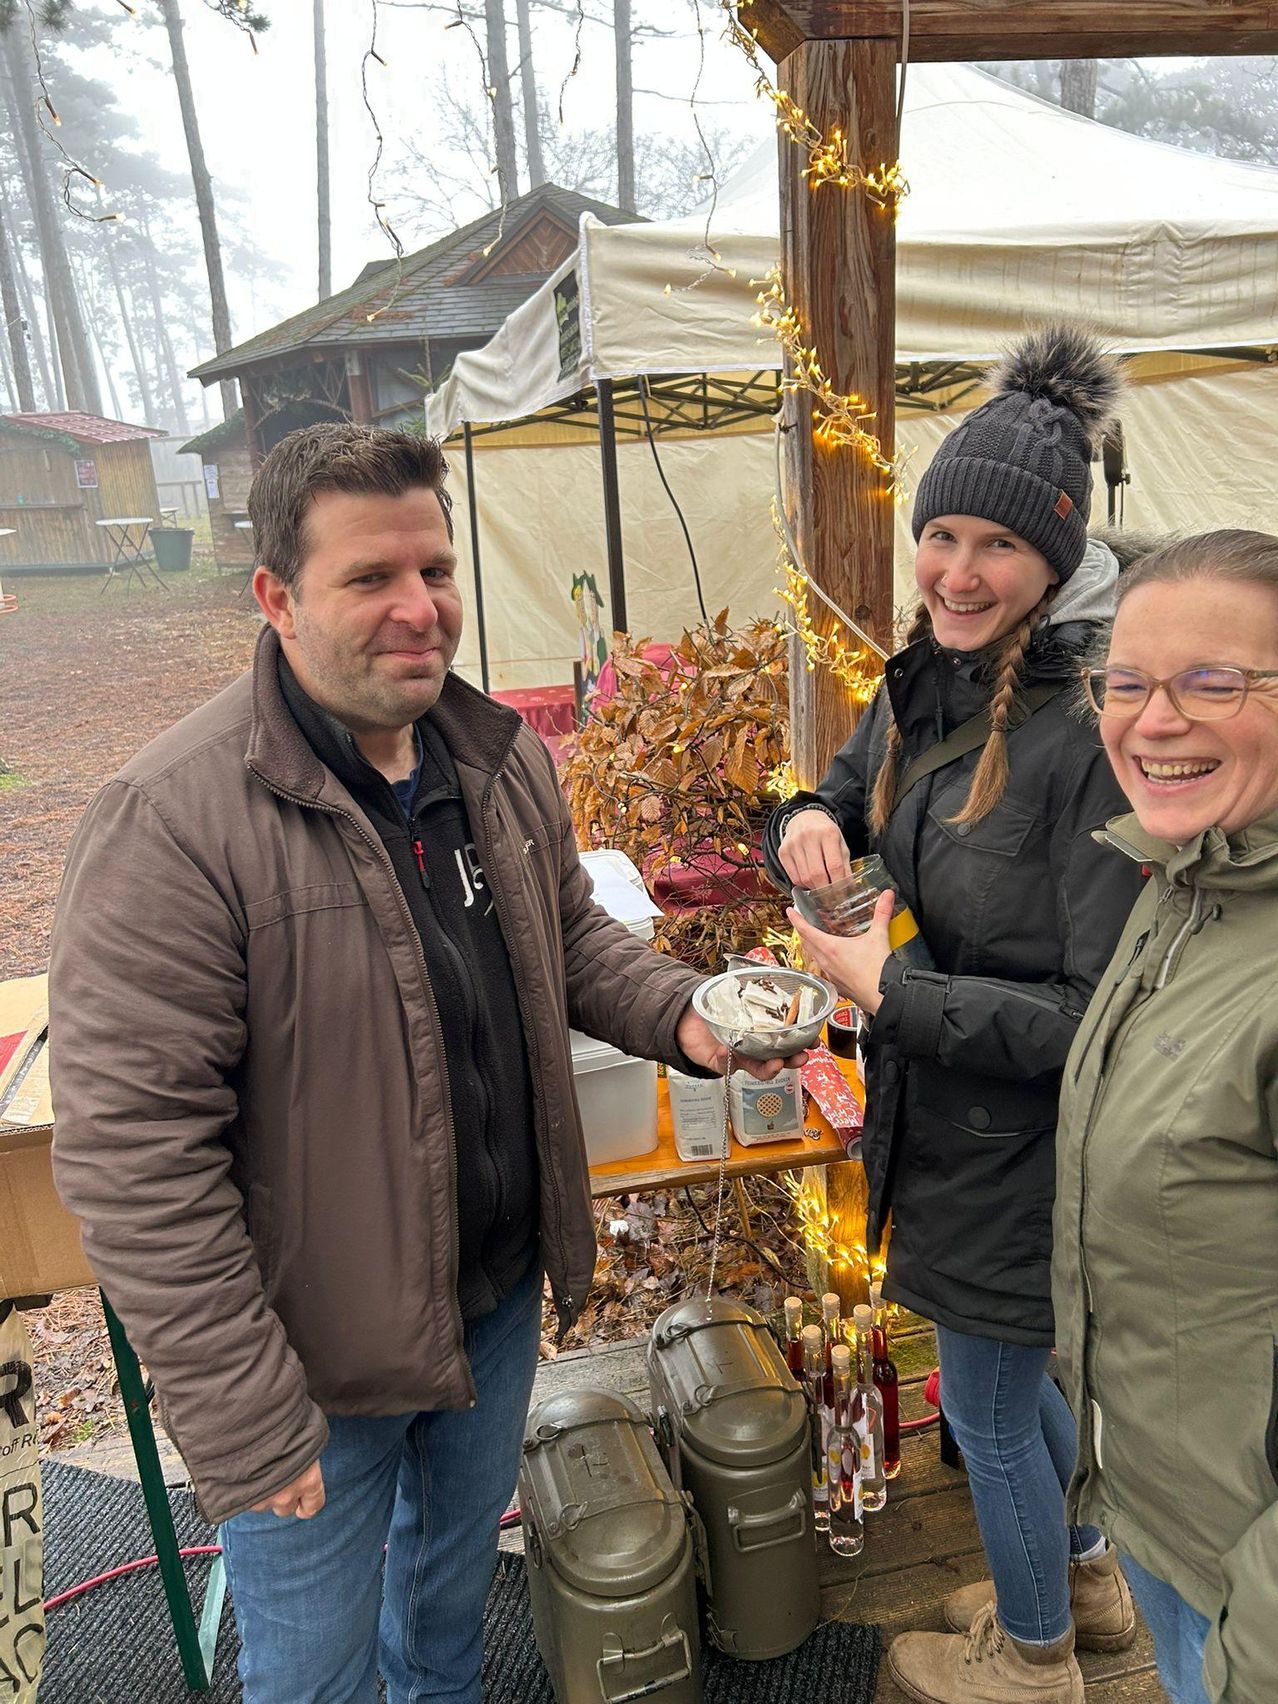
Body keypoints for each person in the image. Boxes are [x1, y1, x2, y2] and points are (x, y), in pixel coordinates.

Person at [48, 424, 800, 1704]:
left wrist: (683, 1013)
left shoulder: (491, 759)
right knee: (316, 1673)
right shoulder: (173, 822)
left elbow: (561, 933)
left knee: (446, 1619)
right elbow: (133, 1159)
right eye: (369, 579)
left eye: (437, 570)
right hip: (315, 1359)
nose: (420, 609)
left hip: (491, 1299)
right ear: (277, 598)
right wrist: (241, 1412)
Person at [764, 328, 1147, 1704]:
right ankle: (1087, 1582)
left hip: (1026, 1145)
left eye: (993, 545)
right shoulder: (927, 673)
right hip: (936, 1116)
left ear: (1054, 562)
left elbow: (1093, 1014)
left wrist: (890, 993)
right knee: (1012, 1382)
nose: (954, 571)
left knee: (982, 1406)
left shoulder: (1096, 731)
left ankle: (1033, 1659)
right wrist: (807, 823)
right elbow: (846, 786)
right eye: (940, 536)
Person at [1054, 529, 1278, 1704]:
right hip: (1181, 1524)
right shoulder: (1190, 886)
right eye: (1129, 683)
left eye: (1214, 681)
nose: (1152, 720)